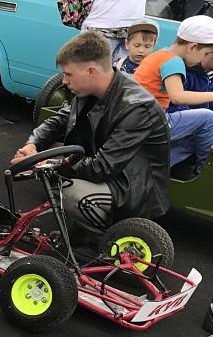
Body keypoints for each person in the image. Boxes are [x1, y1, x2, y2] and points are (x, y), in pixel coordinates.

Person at [14, 30, 170, 231]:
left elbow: (102, 167)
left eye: (68, 74)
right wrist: (33, 144)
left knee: (68, 192)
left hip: (132, 189)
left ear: (91, 71)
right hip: (113, 172)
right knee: (51, 159)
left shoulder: (137, 107)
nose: (64, 81)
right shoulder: (92, 89)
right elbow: (58, 121)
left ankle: (107, 236)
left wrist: (44, 164)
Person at [133, 14, 213, 173]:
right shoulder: (174, 62)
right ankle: (205, 171)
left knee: (198, 135)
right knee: (208, 119)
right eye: (205, 54)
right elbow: (178, 97)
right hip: (150, 121)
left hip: (141, 118)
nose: (202, 60)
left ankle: (152, 169)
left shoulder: (159, 55)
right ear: (192, 47)